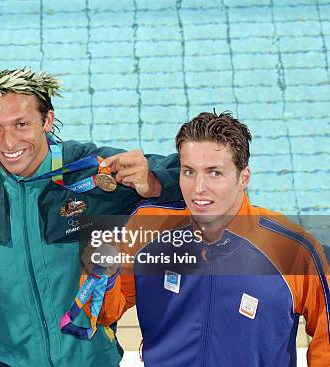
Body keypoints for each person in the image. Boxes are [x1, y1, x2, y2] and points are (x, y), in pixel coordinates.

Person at [0, 68, 182, 366]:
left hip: (90, 359)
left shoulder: (89, 171)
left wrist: (155, 182)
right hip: (5, 360)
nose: (7, 143)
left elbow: (199, 173)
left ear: (47, 120)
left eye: (21, 124)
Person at [93, 111, 330, 366]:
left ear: (243, 178)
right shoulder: (148, 228)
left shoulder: (292, 249)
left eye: (214, 173)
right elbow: (107, 311)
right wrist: (101, 274)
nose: (198, 188)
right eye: (189, 172)